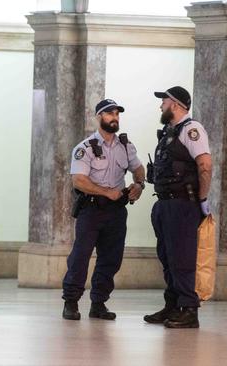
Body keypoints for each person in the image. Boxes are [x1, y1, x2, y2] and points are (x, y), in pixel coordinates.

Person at [62, 99, 145, 321]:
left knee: (111, 259)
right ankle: (71, 302)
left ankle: (98, 303)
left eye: (117, 113)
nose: (115, 117)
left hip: (116, 212)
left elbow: (138, 169)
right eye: (109, 113)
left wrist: (139, 186)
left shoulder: (125, 146)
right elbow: (78, 181)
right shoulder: (85, 148)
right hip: (91, 210)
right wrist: (106, 192)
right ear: (99, 117)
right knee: (80, 257)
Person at [144, 86, 212, 329]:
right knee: (167, 257)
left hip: (183, 204)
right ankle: (172, 305)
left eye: (163, 101)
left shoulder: (192, 130)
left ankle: (189, 309)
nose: (161, 105)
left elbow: (205, 165)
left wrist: (202, 200)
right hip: (164, 204)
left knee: (182, 257)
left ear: (175, 104)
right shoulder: (168, 133)